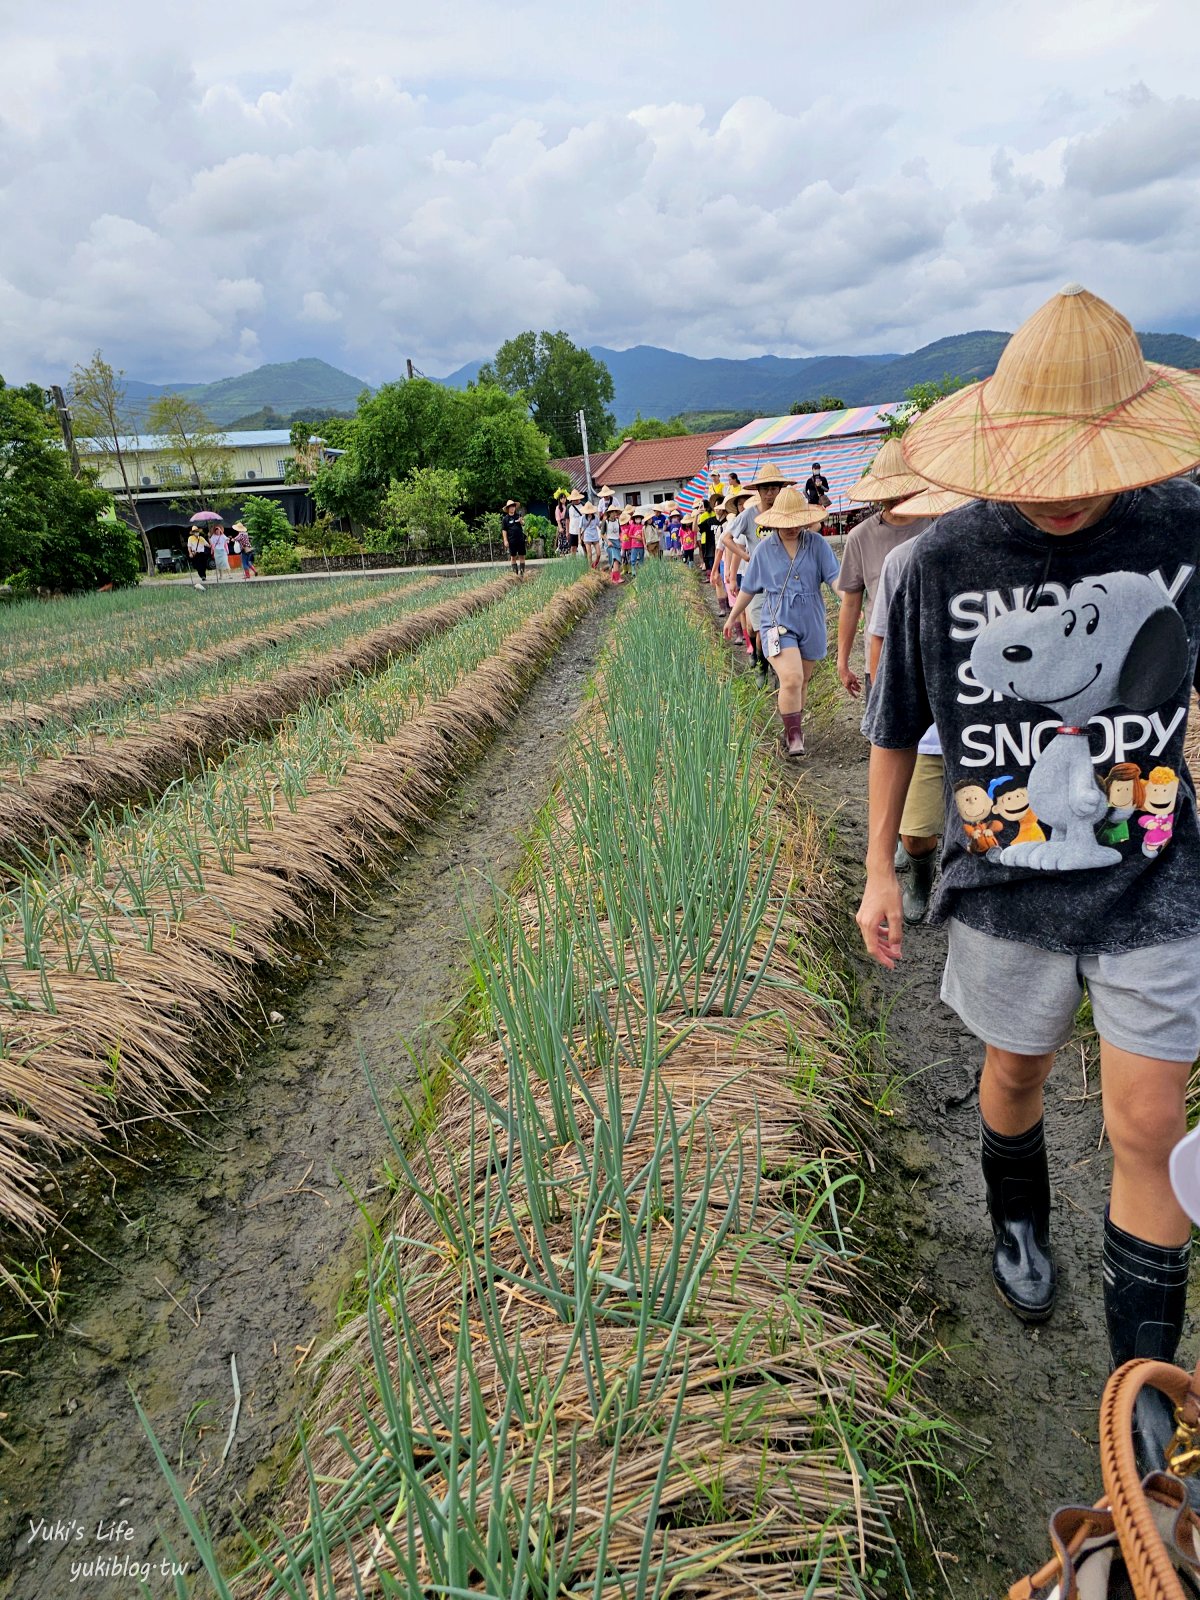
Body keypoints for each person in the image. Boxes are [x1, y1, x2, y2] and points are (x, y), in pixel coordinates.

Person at [857, 282, 1200, 1484]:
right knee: (1015, 1074)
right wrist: (876, 876)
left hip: (1156, 875)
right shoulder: (941, 557)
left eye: (1088, 460)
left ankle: (1140, 1403)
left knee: (1150, 1119)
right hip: (1004, 884)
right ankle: (1018, 1214)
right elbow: (896, 722)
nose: (1062, 486)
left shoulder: (1186, 529)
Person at [723, 486, 838, 757]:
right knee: (791, 678)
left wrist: (848, 601)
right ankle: (794, 737)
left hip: (811, 619)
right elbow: (749, 589)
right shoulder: (764, 550)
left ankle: (794, 726)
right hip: (778, 620)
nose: (790, 528)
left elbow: (835, 578)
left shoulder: (817, 544)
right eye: (785, 523)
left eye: (796, 522)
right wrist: (731, 618)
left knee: (804, 679)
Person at [836, 440, 933, 699]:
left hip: (932, 657)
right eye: (891, 495)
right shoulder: (861, 537)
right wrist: (842, 662)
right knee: (885, 738)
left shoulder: (937, 527)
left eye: (904, 493)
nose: (898, 501)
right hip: (881, 657)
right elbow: (851, 603)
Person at [740, 465, 796, 678]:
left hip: (783, 582)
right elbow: (728, 540)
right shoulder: (749, 516)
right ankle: (763, 662)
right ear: (759, 491)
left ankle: (776, 669)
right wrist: (744, 558)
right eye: (766, 488)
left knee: (779, 628)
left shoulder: (787, 514)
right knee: (761, 630)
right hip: (758, 581)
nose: (770, 493)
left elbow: (813, 527)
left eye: (774, 488)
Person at [500, 498, 527, 577]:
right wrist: (505, 540)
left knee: (522, 556)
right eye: (511, 506)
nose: (512, 508)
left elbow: (523, 524)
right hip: (511, 540)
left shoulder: (518, 516)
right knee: (513, 557)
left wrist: (521, 521)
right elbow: (504, 530)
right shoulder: (505, 519)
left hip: (520, 539)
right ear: (508, 508)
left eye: (513, 506)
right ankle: (515, 575)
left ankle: (522, 574)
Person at [186, 525, 211, 590]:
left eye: (197, 531)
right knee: (198, 566)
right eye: (195, 532)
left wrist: (209, 538)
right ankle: (202, 575)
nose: (196, 532)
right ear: (193, 533)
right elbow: (189, 547)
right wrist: (190, 553)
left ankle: (204, 576)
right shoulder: (190, 538)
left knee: (204, 565)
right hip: (195, 554)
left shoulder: (201, 538)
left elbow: (208, 545)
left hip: (202, 553)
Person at [580, 501, 602, 568]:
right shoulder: (583, 518)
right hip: (587, 536)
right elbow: (580, 528)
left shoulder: (595, 517)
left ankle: (594, 565)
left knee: (598, 554)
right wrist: (579, 538)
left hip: (595, 536)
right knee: (589, 554)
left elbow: (599, 526)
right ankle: (590, 568)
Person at [604, 505, 623, 581]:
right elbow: (602, 534)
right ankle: (617, 578)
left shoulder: (617, 521)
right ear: (609, 513)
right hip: (610, 543)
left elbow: (620, 532)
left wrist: (621, 540)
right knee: (616, 559)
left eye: (615, 512)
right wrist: (608, 541)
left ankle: (614, 577)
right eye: (612, 512)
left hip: (617, 542)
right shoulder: (606, 522)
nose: (614, 513)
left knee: (614, 560)